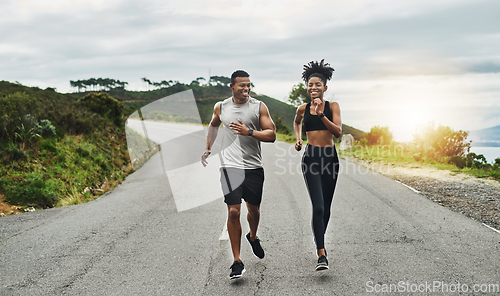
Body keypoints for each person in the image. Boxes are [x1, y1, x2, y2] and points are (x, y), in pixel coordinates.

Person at [201, 70, 276, 279]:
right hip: (229, 167)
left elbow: (272, 135)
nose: (246, 89)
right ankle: (237, 261)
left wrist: (249, 132)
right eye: (242, 85)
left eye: (249, 85)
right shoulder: (221, 107)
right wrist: (208, 147)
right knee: (233, 212)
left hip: (253, 168)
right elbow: (214, 125)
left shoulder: (258, 106)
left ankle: (253, 236)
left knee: (254, 210)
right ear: (232, 86)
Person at [293, 59, 342, 271]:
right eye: (310, 85)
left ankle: (319, 236)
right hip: (311, 158)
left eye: (318, 85)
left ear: (325, 88)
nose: (313, 88)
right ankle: (321, 253)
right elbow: (297, 122)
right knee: (319, 206)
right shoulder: (302, 109)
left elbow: (338, 132)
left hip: (330, 158)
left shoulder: (333, 107)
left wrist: (322, 114)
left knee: (327, 208)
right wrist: (298, 138)